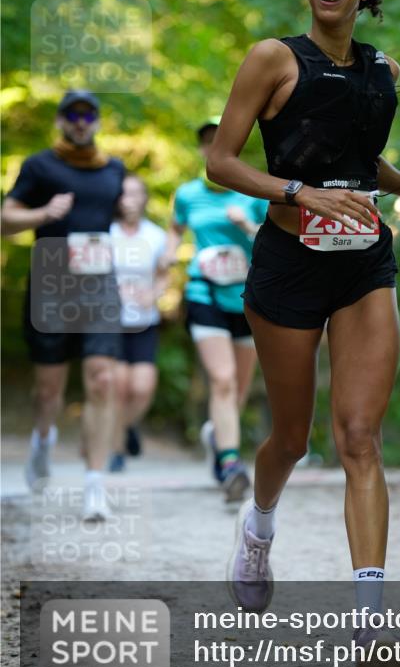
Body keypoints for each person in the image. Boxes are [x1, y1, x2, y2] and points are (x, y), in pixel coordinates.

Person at [205, 0, 400, 667]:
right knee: (290, 439)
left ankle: (370, 623)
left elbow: (357, 161)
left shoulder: (383, 69)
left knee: (359, 436)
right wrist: (292, 190)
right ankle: (258, 529)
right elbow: (219, 159)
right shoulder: (272, 58)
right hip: (287, 267)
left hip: (361, 265)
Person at [1, 90, 125, 520]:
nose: (80, 120)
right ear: (60, 120)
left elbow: (118, 220)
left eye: (87, 113)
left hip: (100, 287)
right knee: (49, 390)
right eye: (72, 114)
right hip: (52, 284)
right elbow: (5, 219)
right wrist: (43, 214)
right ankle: (43, 438)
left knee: (102, 380)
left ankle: (95, 485)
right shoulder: (40, 166)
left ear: (96, 120)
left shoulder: (114, 169)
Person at [162, 118, 267, 501]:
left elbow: (274, 244)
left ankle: (217, 435)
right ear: (203, 150)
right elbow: (176, 228)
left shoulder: (254, 192)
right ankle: (230, 464)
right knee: (221, 380)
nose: (213, 146)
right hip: (203, 291)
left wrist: (247, 228)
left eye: (220, 139)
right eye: (206, 142)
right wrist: (169, 253)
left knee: (237, 389)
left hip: (246, 297)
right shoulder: (188, 194)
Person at [108, 174, 168, 472]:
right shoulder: (105, 233)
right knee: (118, 387)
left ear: (144, 198)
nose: (129, 200)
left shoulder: (156, 236)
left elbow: (163, 275)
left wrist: (153, 294)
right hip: (113, 322)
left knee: (142, 388)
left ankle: (127, 427)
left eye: (135, 193)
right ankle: (116, 449)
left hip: (145, 321)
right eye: (124, 194)